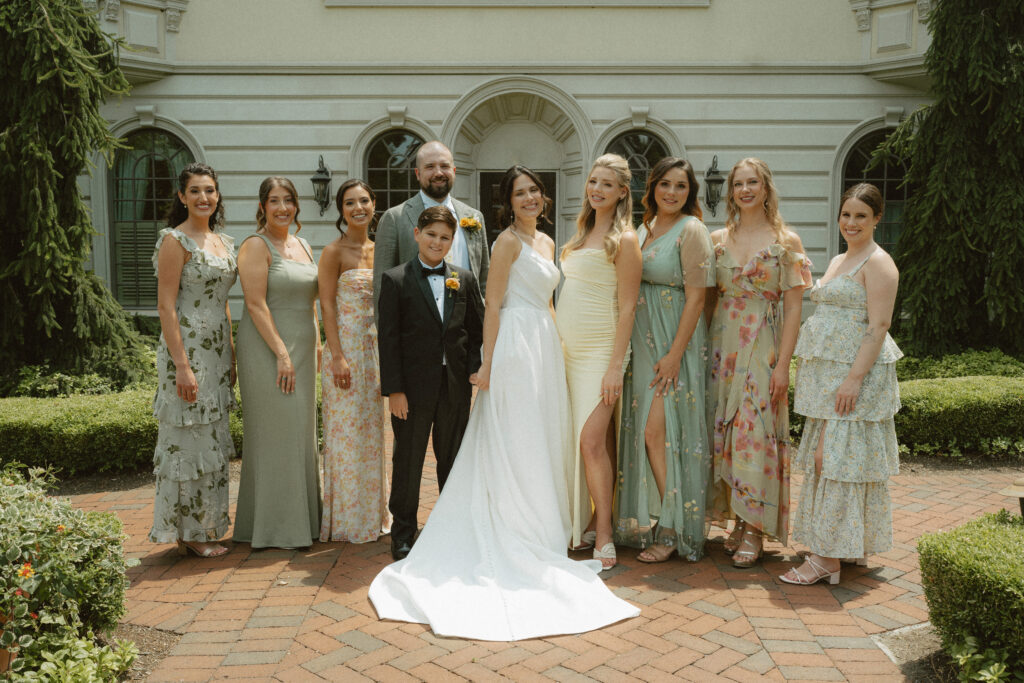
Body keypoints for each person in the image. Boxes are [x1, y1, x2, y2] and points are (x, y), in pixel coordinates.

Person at [368, 166, 639, 640]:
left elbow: (549, 301)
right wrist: (488, 362)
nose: (530, 198)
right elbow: (492, 306)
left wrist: (555, 343)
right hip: (513, 345)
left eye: (535, 190)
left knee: (542, 436)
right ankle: (514, 523)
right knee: (516, 434)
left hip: (544, 345)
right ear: (508, 202)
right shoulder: (507, 242)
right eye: (520, 193)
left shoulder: (552, 243)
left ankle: (545, 521)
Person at [781, 183, 901, 585]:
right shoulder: (839, 259)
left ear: (876, 219)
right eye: (846, 215)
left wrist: (853, 380)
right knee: (832, 460)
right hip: (827, 379)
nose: (851, 223)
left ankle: (825, 560)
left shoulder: (879, 263)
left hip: (855, 376)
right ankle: (842, 546)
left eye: (861, 216)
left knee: (833, 460)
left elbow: (879, 325)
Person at [706, 158, 812, 568]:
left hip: (763, 345)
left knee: (754, 432)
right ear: (731, 191)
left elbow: (794, 310)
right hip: (722, 346)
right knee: (727, 432)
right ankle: (737, 518)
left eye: (753, 183)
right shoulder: (718, 239)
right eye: (738, 184)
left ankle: (755, 529)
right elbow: (710, 299)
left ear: (766, 188)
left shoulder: (787, 242)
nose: (745, 190)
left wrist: (784, 365)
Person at [613, 157, 716, 563]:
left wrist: (674, 355)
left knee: (659, 433)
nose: (672, 193)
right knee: (645, 432)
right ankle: (659, 518)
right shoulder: (643, 228)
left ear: (689, 193)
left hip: (673, 343)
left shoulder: (692, 230)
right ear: (652, 187)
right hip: (643, 341)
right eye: (665, 185)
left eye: (681, 187)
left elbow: (697, 298)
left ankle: (674, 527)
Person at [376, 206, 484, 561]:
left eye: (445, 237)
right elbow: (388, 340)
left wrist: (473, 368)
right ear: (416, 235)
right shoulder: (396, 279)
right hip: (411, 390)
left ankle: (450, 528)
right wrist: (394, 390)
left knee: (451, 460)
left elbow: (476, 329)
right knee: (408, 461)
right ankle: (403, 533)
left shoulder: (464, 279)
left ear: (452, 242)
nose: (437, 242)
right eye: (431, 234)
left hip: (454, 387)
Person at [557, 154, 642, 570]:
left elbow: (628, 308)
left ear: (622, 192)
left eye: (607, 184)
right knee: (597, 443)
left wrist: (615, 366)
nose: (597, 190)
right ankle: (590, 518)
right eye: (593, 182)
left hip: (601, 351)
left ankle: (605, 532)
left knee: (590, 441)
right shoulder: (579, 234)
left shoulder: (625, 240)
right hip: (569, 352)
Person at [150, 162, 236, 558]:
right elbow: (166, 307)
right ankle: (191, 533)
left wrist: (231, 353)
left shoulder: (225, 243)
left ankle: (206, 527)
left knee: (212, 438)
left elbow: (225, 304)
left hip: (217, 354)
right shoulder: (175, 241)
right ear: (182, 196)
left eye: (210, 190)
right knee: (188, 439)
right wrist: (181, 365)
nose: (204, 197)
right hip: (186, 352)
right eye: (196, 191)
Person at [232, 177, 321, 550]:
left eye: (288, 200)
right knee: (274, 435)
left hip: (303, 346)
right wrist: (282, 353)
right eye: (274, 201)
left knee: (301, 436)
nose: (282, 207)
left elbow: (312, 301)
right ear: (262, 206)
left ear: (296, 205)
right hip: (268, 349)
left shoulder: (303, 244)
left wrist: (318, 345)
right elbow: (254, 304)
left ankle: (303, 524)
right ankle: (272, 529)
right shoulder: (255, 245)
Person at [318, 179, 392, 543]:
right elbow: (326, 304)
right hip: (344, 350)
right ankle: (347, 520)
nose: (358, 208)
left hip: (375, 350)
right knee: (345, 436)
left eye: (364, 200)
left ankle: (373, 513)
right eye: (350, 203)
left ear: (374, 203)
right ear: (341, 209)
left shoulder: (382, 250)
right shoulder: (334, 251)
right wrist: (336, 356)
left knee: (372, 434)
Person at [372, 140, 489, 315]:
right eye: (430, 167)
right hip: (415, 328)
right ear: (418, 174)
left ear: (454, 171)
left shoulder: (474, 216)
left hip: (467, 329)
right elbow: (382, 287)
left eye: (444, 166)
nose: (439, 172)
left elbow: (484, 280)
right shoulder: (395, 218)